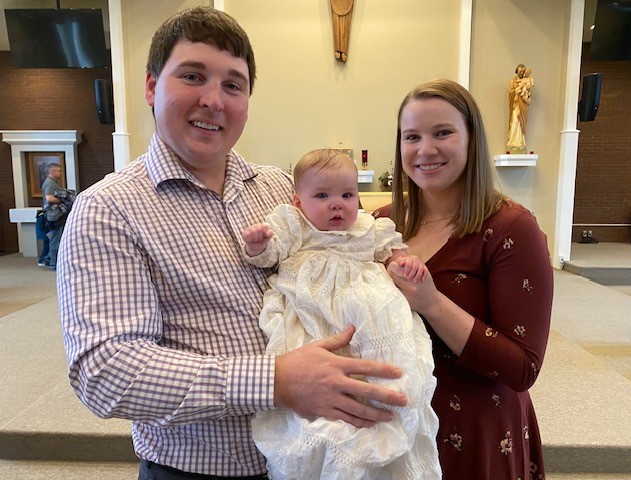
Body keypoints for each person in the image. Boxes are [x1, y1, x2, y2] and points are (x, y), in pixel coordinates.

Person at [58, 7, 408, 480]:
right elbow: (106, 371)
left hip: (315, 457)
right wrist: (275, 381)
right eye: (192, 76)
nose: (213, 100)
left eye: (233, 85)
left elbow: (347, 247)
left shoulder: (278, 187)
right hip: (199, 472)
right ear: (151, 87)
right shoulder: (107, 209)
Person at [373, 78, 553, 480]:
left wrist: (432, 303)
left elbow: (522, 368)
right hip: (394, 429)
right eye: (412, 136)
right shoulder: (381, 223)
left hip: (473, 434)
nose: (425, 150)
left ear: (473, 139)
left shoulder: (510, 228)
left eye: (443, 133)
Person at [242, 149, 441, 480]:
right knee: (318, 393)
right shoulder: (295, 225)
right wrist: (258, 246)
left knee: (392, 366)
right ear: (298, 202)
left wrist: (403, 263)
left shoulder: (369, 227)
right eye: (322, 196)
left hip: (368, 314)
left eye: (347, 195)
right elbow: (270, 257)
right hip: (313, 313)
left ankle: (385, 418)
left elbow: (391, 254)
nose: (337, 204)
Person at [41, 163, 65, 270]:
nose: (60, 173)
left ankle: (49, 259)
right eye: (59, 171)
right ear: (52, 171)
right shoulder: (50, 183)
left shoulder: (51, 182)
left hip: (53, 215)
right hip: (54, 215)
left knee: (55, 238)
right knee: (56, 239)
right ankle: (53, 263)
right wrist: (63, 199)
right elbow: (49, 198)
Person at [507, 63, 533, 152]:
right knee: (514, 122)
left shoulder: (526, 80)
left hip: (523, 106)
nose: (521, 73)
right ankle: (512, 143)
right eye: (520, 71)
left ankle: (521, 143)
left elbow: (528, 95)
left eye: (523, 71)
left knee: (521, 123)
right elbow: (511, 93)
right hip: (515, 105)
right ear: (517, 72)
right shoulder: (513, 81)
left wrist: (526, 93)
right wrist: (518, 89)